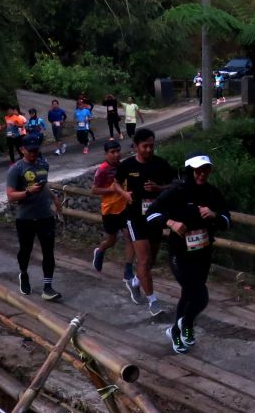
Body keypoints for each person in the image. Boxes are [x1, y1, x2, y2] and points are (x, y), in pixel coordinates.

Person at [147, 154, 230, 353]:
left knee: (189, 294)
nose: (202, 174)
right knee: (200, 297)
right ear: (190, 171)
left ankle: (178, 330)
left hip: (203, 253)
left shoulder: (212, 193)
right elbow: (150, 214)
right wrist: (171, 223)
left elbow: (227, 220)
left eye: (206, 169)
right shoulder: (177, 192)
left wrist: (215, 215)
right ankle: (184, 324)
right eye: (198, 170)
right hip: (180, 254)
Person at [121, 127, 175, 315]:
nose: (149, 150)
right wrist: (124, 194)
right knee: (143, 259)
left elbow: (174, 185)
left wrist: (159, 188)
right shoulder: (127, 165)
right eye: (145, 146)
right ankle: (153, 301)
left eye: (152, 146)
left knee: (150, 260)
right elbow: (115, 183)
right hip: (134, 218)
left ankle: (135, 282)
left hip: (155, 218)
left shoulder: (161, 164)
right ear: (136, 146)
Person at [5, 136, 63, 301]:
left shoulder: (43, 165)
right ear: (22, 149)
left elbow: (44, 186)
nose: (33, 153)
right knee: (26, 250)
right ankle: (23, 273)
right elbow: (10, 196)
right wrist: (27, 192)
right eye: (30, 151)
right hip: (25, 217)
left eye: (36, 150)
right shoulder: (16, 169)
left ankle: (48, 287)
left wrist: (54, 198)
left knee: (48, 250)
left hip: (45, 215)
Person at [90, 140, 132, 273]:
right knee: (111, 241)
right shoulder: (102, 170)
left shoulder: (123, 166)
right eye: (112, 152)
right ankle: (100, 250)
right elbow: (94, 190)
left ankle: (128, 270)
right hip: (109, 209)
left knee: (129, 236)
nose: (116, 154)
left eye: (118, 151)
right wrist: (112, 190)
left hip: (125, 207)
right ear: (106, 154)